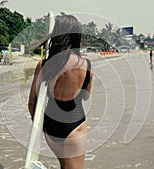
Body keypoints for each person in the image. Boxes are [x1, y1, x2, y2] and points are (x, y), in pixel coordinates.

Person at [28, 14, 93, 169]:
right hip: (74, 125)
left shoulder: (44, 65)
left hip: (51, 127)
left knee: (63, 165)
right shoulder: (86, 65)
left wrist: (40, 127)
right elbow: (85, 96)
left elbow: (32, 103)